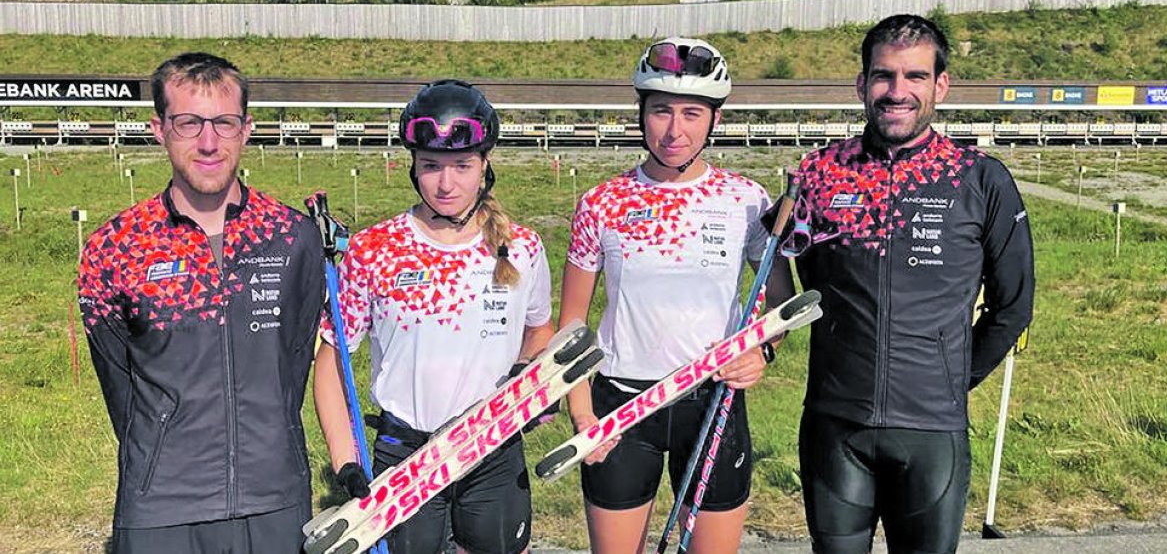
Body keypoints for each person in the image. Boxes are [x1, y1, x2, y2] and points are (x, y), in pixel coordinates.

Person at [780, 14, 1035, 554]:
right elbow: (791, 282)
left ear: (940, 85)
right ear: (861, 83)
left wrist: (947, 378)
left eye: (915, 76)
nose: (897, 92)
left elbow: (1012, 306)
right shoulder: (819, 172)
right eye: (883, 76)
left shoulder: (980, 178)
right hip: (835, 424)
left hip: (932, 434)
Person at [78, 52, 327, 553]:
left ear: (246, 129)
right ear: (159, 128)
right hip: (160, 507)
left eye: (224, 123)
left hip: (274, 499)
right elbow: (120, 388)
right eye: (189, 123)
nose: (209, 142)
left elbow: (295, 365)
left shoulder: (292, 237)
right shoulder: (114, 247)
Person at [561, 38, 788, 554]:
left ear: (715, 119)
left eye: (691, 113)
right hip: (621, 405)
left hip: (713, 400)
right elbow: (573, 325)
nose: (674, 129)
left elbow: (781, 304)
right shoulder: (601, 203)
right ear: (642, 113)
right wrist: (581, 415)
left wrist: (764, 352)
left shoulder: (747, 200)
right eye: (661, 110)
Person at [313, 80, 554, 554]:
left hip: (492, 448)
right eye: (430, 167)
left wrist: (530, 381)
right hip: (406, 455)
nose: (446, 184)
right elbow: (330, 363)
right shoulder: (374, 249)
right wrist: (345, 461)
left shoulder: (522, 247)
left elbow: (539, 330)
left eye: (462, 166)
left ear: (485, 164)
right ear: (413, 167)